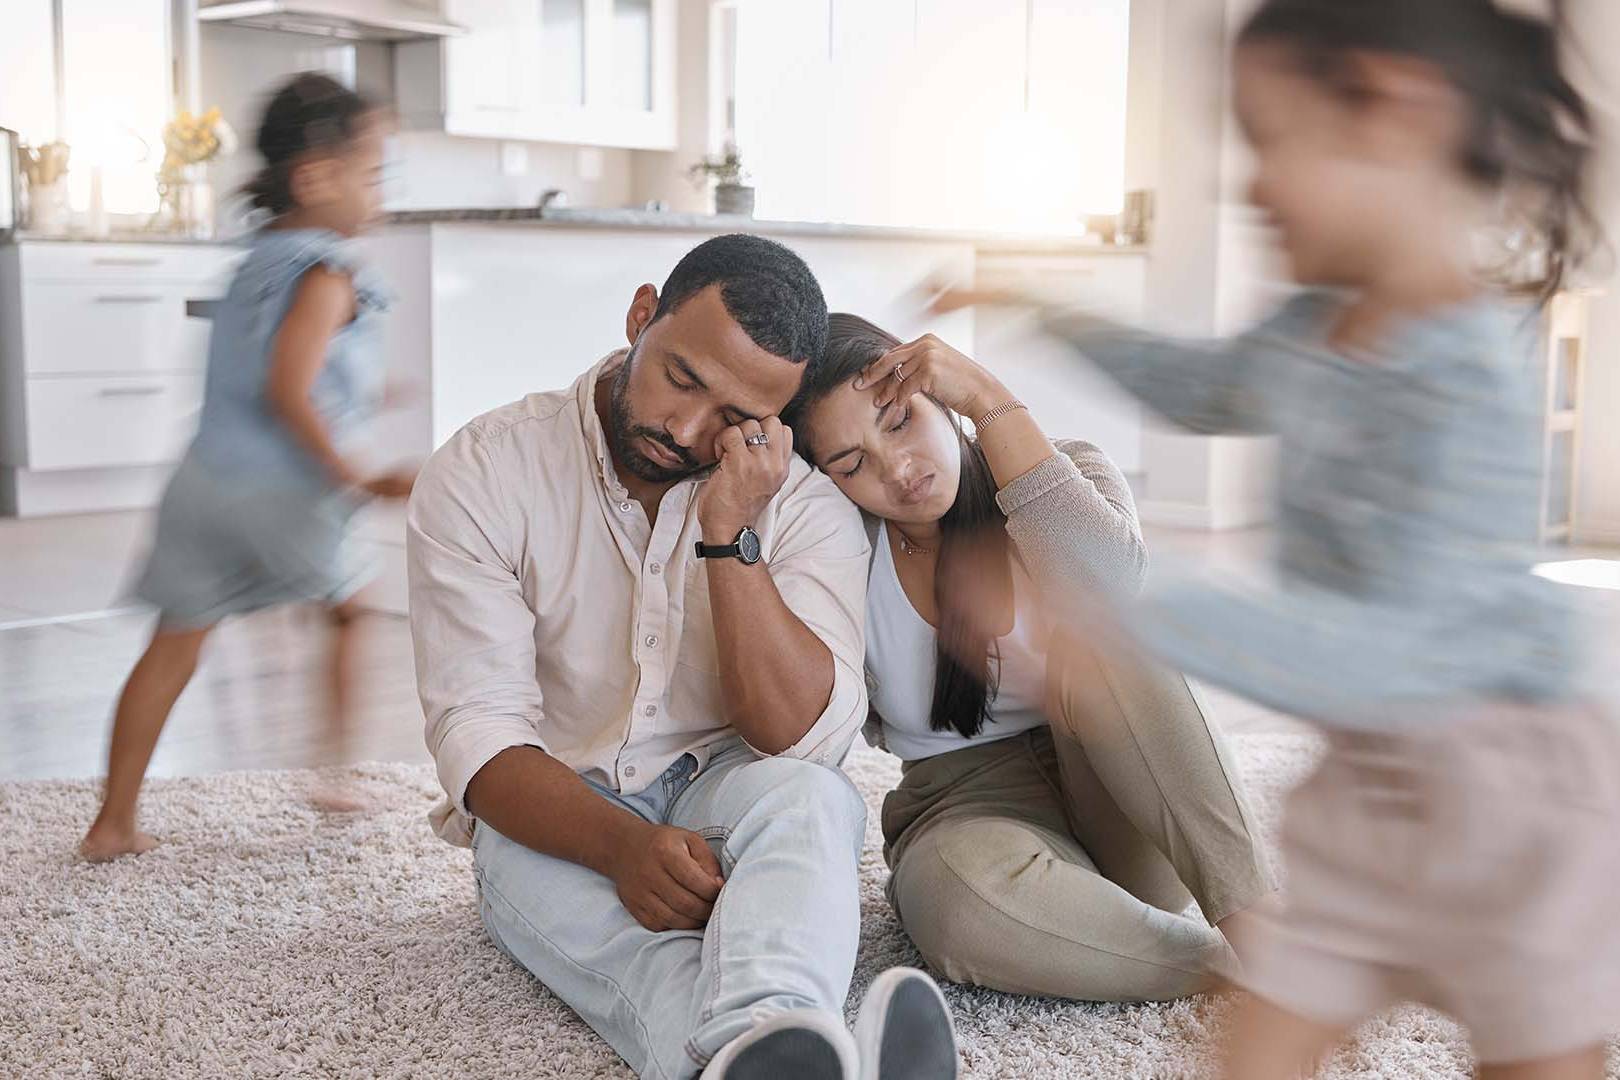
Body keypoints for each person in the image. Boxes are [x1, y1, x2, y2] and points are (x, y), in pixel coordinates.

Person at [939, 1, 1620, 1077]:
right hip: (1369, 789)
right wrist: (1046, 308)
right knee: (1266, 1032)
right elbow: (1202, 386)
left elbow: (1395, 651)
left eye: (1274, 141)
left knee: (1536, 1054)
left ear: (1396, 115)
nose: (1251, 188)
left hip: (1509, 803)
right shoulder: (1315, 325)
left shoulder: (1469, 378)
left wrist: (1120, 614)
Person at [406, 233, 959, 1080]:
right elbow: (477, 737)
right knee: (615, 937)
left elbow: (800, 739)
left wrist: (729, 535)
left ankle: (758, 1050)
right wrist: (619, 847)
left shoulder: (802, 505)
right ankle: (764, 1038)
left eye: (735, 418)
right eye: (681, 379)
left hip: (725, 794)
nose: (686, 429)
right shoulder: (486, 471)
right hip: (554, 810)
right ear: (640, 317)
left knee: (813, 800)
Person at [786, 314, 1275, 1003]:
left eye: (900, 423)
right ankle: (1224, 973)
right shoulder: (838, 555)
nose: (898, 470)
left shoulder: (1060, 471)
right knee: (952, 904)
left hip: (1129, 798)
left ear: (939, 395)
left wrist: (988, 402)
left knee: (1109, 629)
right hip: (967, 806)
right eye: (851, 463)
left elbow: (1118, 593)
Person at [79, 72, 413, 861]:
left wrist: (372, 390)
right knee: (347, 610)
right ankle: (335, 773)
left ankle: (112, 822)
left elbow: (264, 365)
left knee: (174, 644)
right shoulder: (332, 270)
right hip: (280, 488)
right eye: (372, 175)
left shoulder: (256, 258)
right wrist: (357, 476)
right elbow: (289, 389)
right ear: (315, 178)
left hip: (201, 481)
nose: (380, 196)